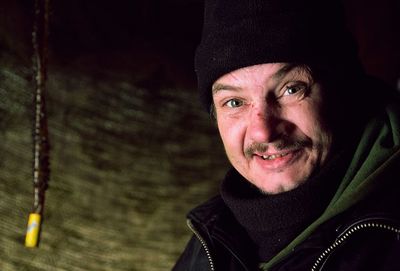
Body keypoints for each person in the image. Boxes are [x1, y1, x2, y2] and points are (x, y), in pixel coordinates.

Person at [172, 0, 400, 270]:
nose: (263, 131)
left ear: (342, 86)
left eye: (291, 89)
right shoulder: (210, 238)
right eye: (234, 102)